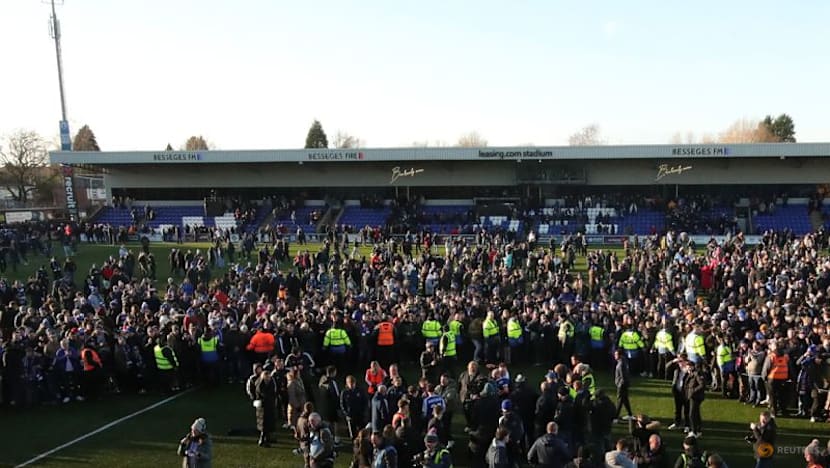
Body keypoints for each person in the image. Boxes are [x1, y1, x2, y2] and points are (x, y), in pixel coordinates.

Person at [254, 366, 278, 447]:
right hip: (263, 407)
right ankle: (262, 440)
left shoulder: (270, 382)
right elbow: (263, 394)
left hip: (269, 405)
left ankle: (267, 438)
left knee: (269, 422)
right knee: (264, 423)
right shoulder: (260, 384)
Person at [341, 374, 369, 440]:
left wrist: (364, 411)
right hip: (351, 415)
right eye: (350, 383)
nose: (352, 385)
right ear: (347, 384)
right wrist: (346, 414)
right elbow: (342, 404)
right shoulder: (344, 392)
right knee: (353, 433)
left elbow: (365, 401)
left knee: (362, 430)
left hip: (360, 414)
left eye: (353, 383)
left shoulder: (360, 391)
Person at [614, 349, 633, 422]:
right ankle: (630, 414)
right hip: (623, 384)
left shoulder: (621, 364)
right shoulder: (622, 362)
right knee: (625, 399)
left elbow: (623, 376)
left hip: (621, 385)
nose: (614, 356)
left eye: (616, 354)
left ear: (620, 355)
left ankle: (615, 417)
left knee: (620, 400)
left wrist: (620, 384)